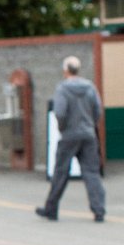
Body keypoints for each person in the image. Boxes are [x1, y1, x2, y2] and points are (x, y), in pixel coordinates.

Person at [36, 55, 106, 222]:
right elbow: (98, 110)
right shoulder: (90, 87)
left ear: (65, 71)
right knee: (91, 173)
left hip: (69, 135)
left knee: (61, 172)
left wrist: (63, 128)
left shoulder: (62, 89)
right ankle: (99, 211)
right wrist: (90, 125)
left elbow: (59, 112)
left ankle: (51, 209)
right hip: (88, 135)